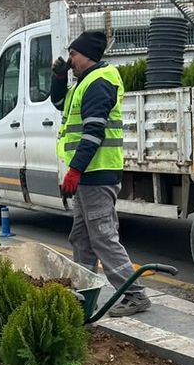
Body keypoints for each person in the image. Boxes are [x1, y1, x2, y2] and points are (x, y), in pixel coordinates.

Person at [51, 30, 149, 317]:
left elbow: (94, 132)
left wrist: (75, 170)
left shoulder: (98, 83)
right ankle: (84, 292)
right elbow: (59, 105)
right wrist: (59, 79)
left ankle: (135, 294)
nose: (70, 60)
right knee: (82, 238)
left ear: (88, 55)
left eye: (73, 55)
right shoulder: (84, 83)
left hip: (97, 172)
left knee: (103, 237)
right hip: (88, 174)